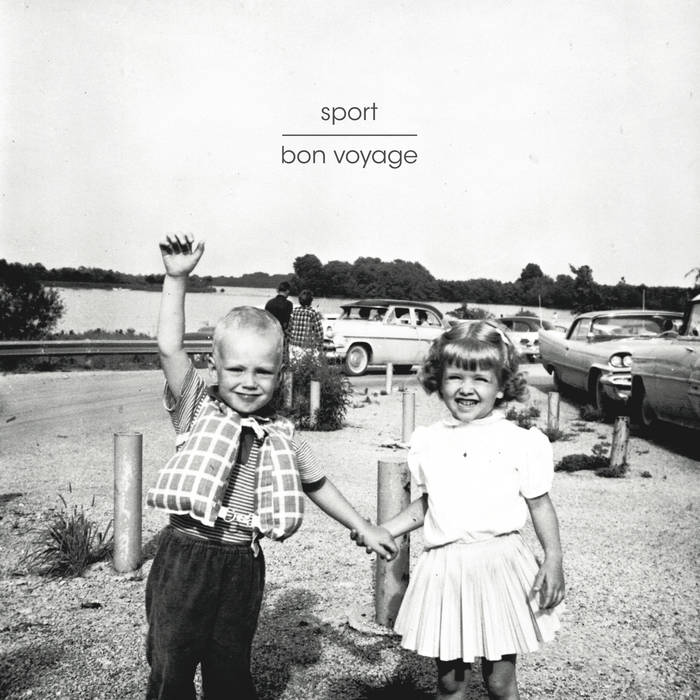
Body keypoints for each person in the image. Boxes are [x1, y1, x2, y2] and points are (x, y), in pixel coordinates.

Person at [145, 234, 396, 700]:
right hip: (187, 557)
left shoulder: (282, 432)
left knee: (230, 669)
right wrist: (176, 278)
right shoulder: (197, 407)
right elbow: (168, 349)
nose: (248, 382)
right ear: (214, 368)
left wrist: (363, 525)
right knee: (171, 665)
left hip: (242, 563)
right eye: (236, 370)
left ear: (280, 376)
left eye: (262, 372)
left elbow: (317, 483)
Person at [353, 321, 565, 700]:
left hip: (499, 566)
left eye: (481, 379)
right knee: (450, 683)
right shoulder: (430, 441)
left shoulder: (519, 442)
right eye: (455, 377)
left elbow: (539, 502)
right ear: (439, 381)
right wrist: (388, 529)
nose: (467, 388)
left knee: (500, 681)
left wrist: (553, 558)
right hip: (446, 568)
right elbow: (430, 503)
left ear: (502, 386)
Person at [287, 288, 324, 360]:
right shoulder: (313, 313)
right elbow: (319, 332)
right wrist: (320, 346)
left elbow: (289, 328)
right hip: (307, 347)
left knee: (294, 365)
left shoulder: (294, 311)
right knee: (307, 366)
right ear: (311, 301)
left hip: (294, 346)